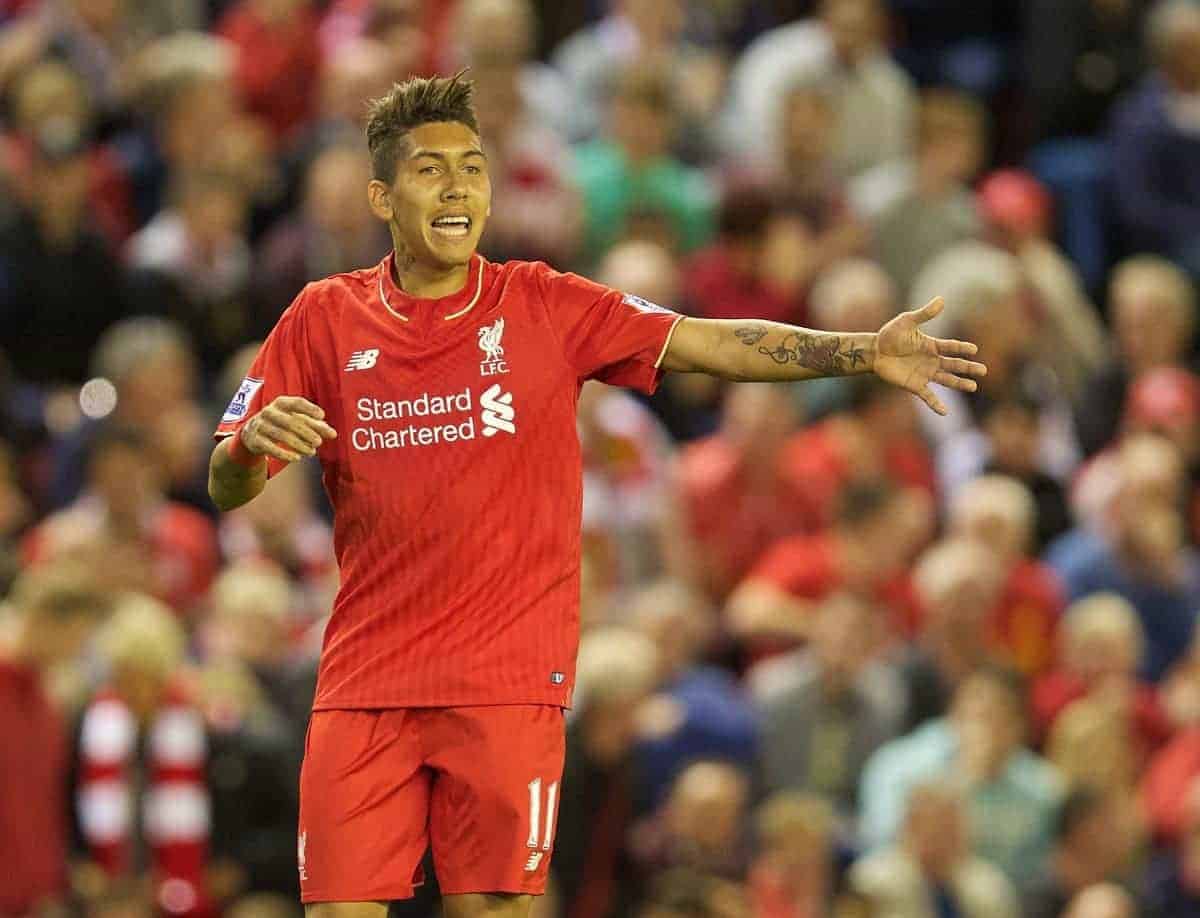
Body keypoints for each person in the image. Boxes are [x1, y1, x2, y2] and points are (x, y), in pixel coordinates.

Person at [205, 72, 985, 918]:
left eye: (473, 166)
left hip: (503, 681)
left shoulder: (543, 302)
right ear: (382, 196)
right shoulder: (322, 317)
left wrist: (860, 351)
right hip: (365, 679)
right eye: (432, 170)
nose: (459, 185)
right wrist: (248, 447)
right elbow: (226, 483)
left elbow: (709, 344)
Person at [0, 564, 110, 916]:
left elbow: (46, 804)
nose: (76, 653)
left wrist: (50, 882)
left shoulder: (49, 706)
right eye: (76, 638)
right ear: (45, 621)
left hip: (34, 897)